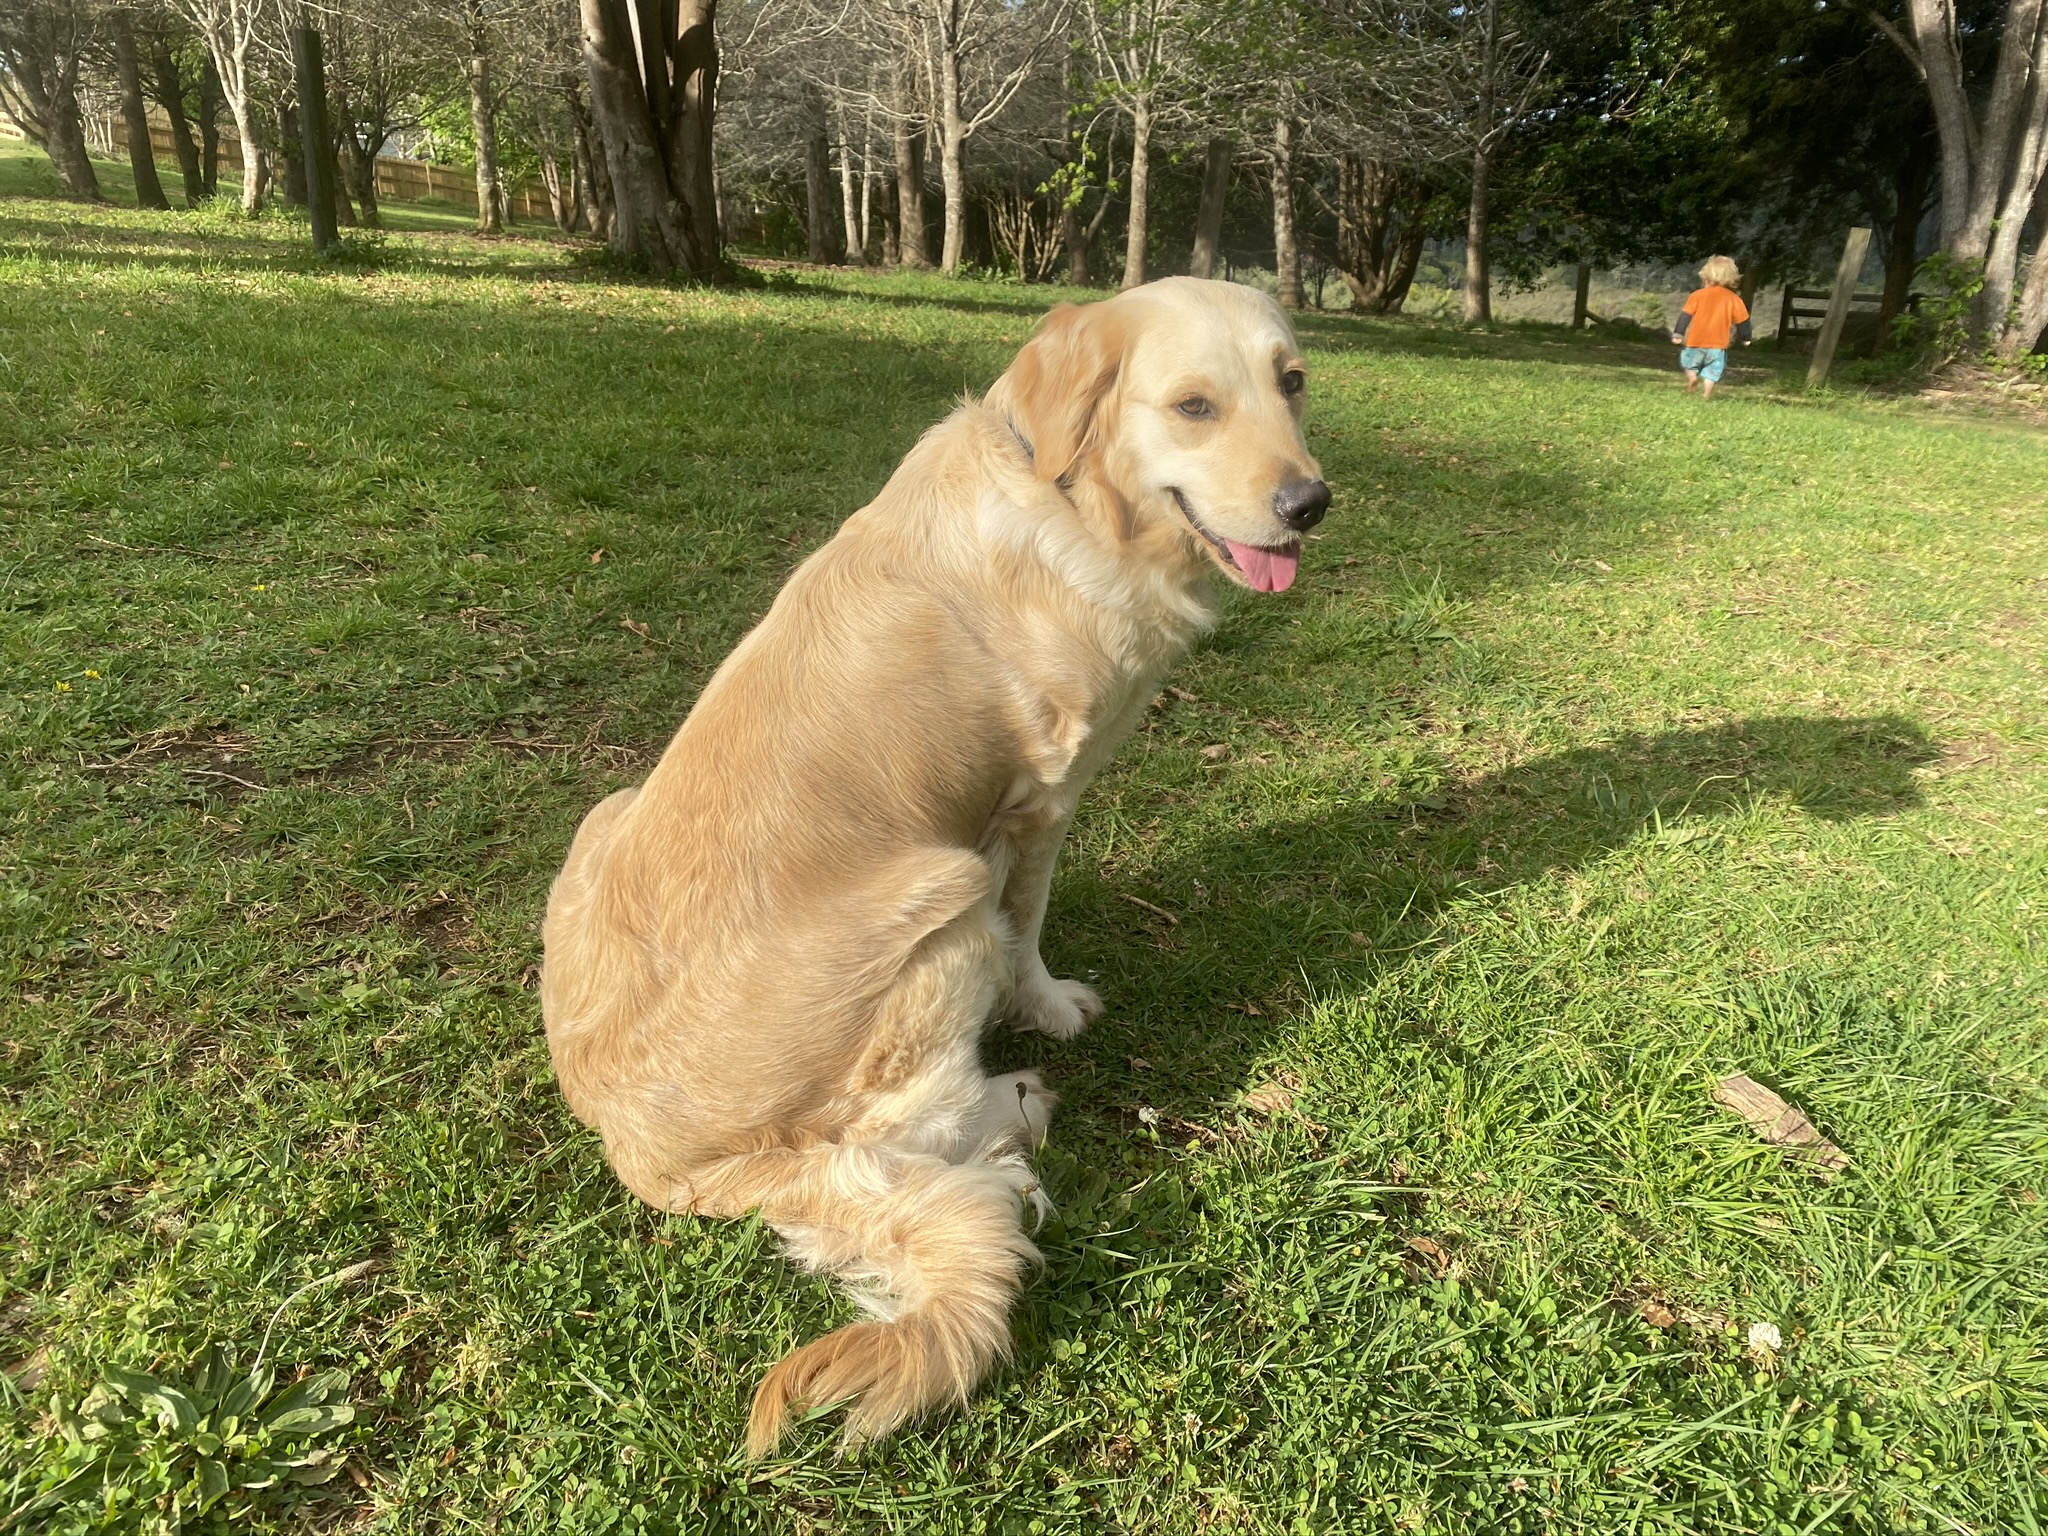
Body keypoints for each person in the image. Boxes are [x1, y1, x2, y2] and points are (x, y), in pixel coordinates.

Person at [1671, 255, 1753, 398]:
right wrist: (1746, 338)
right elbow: (1743, 321)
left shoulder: (1697, 295)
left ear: (1706, 274)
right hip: (1718, 345)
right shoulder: (1734, 299)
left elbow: (1685, 316)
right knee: (1712, 372)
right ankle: (1706, 395)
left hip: (1695, 342)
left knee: (1689, 364)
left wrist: (1678, 334)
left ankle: (1692, 378)